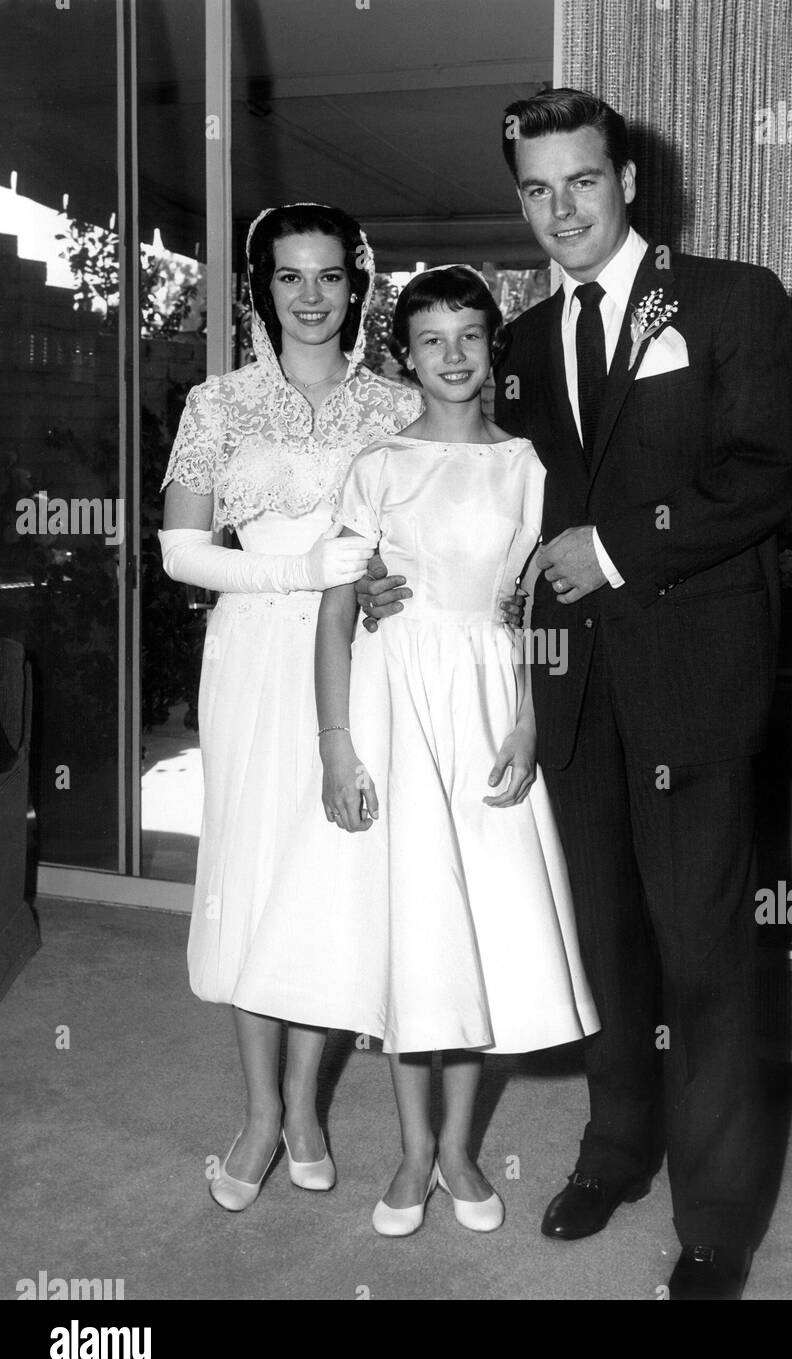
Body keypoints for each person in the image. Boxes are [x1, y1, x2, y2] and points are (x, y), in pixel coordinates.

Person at [360, 90, 792, 1298]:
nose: (561, 208)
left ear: (628, 184)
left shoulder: (732, 299)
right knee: (602, 943)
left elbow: (764, 472)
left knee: (706, 955)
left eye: (582, 182)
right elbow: (486, 494)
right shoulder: (515, 338)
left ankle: (716, 1222)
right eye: (537, 189)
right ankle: (616, 1148)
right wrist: (387, 574)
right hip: (566, 689)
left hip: (694, 680)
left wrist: (611, 550)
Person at [241, 266, 599, 1237]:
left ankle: (457, 1152)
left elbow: (525, 608)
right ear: (405, 352)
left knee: (475, 929)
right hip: (394, 700)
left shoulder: (528, 466)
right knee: (414, 929)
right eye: (432, 338)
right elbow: (336, 613)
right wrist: (334, 743)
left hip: (484, 702)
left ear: (492, 349)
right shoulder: (378, 465)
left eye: (470, 336)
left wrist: (526, 719)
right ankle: (407, 1152)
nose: (451, 355)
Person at [158, 203, 422, 1211]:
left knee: (327, 879)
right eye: (288, 277)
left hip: (355, 659)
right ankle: (260, 1113)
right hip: (250, 657)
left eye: (328, 277)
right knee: (252, 869)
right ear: (257, 289)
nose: (310, 298)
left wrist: (383, 587)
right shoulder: (216, 403)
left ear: (356, 286)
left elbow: (414, 545)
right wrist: (300, 570)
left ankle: (306, 1105)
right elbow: (180, 552)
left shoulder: (394, 409)